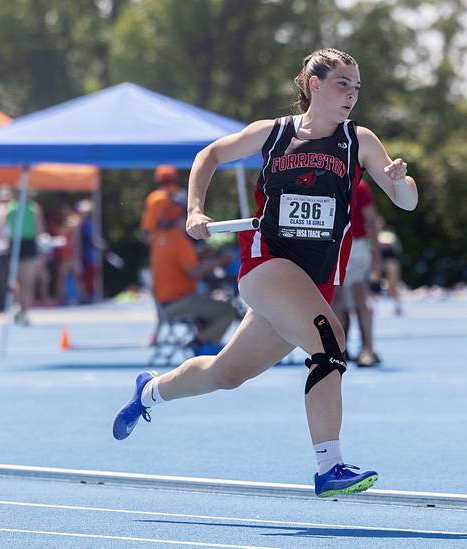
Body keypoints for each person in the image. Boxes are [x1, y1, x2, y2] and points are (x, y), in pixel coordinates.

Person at [113, 48, 418, 498]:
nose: (352, 94)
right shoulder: (273, 133)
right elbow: (209, 155)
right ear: (314, 84)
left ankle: (150, 392)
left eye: (356, 87)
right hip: (267, 265)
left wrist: (398, 181)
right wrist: (196, 209)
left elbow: (406, 201)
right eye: (342, 84)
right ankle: (328, 467)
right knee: (329, 343)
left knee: (226, 373)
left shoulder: (360, 141)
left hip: (312, 282)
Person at [151, 206, 236, 355]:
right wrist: (222, 260)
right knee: (229, 310)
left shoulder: (159, 239)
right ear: (180, 221)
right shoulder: (180, 242)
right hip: (181, 302)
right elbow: (195, 273)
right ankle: (201, 343)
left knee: (210, 303)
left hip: (165, 304)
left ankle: (203, 341)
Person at [330, 179, 380, 367]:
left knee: (359, 297)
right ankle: (339, 349)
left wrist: (375, 254)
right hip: (333, 245)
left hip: (356, 245)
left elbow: (371, 220)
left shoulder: (358, 185)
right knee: (337, 300)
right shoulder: (328, 179)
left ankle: (367, 348)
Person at [7, 192, 46, 324]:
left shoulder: (34, 208)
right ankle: (17, 307)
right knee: (16, 280)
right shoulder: (10, 207)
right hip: (15, 242)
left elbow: (39, 227)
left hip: (29, 243)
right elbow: (5, 226)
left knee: (27, 280)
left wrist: (40, 246)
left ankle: (24, 309)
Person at [141, 165, 187, 240]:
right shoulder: (183, 194)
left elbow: (147, 231)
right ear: (175, 178)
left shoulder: (154, 198)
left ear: (158, 180)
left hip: (161, 243)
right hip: (184, 242)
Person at [376, 218, 404, 316]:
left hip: (388, 261)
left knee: (393, 283)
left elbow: (395, 248)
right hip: (376, 262)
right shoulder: (368, 233)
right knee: (372, 282)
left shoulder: (387, 233)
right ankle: (371, 306)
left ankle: (397, 306)